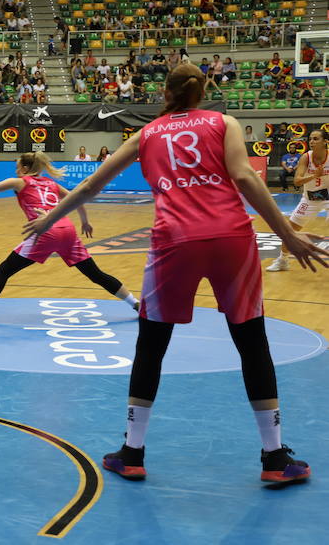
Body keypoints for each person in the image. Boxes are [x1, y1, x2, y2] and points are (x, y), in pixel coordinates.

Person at [24, 64, 325, 484]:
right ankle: (274, 458)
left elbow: (92, 186)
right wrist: (287, 236)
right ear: (201, 93)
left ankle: (131, 451)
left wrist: (48, 218)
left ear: (164, 94)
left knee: (151, 345)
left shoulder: (145, 134)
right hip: (231, 239)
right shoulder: (226, 122)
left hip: (174, 241)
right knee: (252, 342)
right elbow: (242, 176)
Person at [0, 152, 138, 322]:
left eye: (17, 166)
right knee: (95, 274)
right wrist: (85, 222)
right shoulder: (51, 183)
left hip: (46, 230)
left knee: (5, 269)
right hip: (67, 230)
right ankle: (135, 303)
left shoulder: (20, 182)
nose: (16, 170)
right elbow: (78, 198)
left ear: (26, 168)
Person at [266, 130, 329, 272]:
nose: (312, 141)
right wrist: (314, 176)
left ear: (325, 141)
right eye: (311, 139)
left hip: (328, 197)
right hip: (310, 199)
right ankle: (283, 261)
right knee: (290, 230)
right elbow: (297, 181)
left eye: (316, 139)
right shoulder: (306, 157)